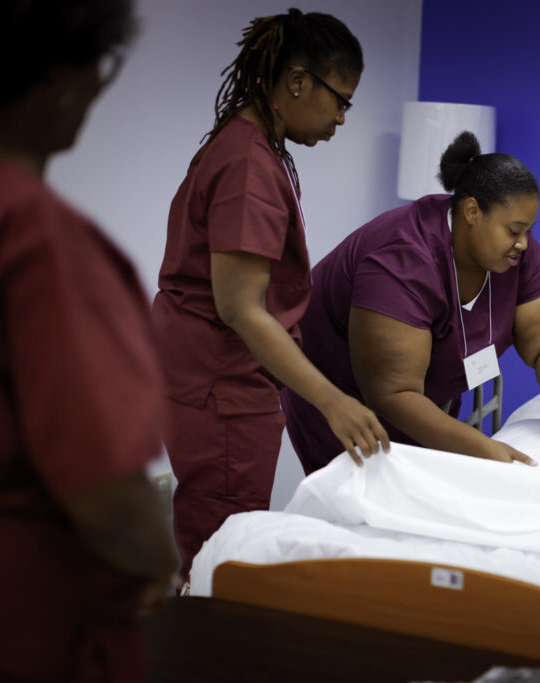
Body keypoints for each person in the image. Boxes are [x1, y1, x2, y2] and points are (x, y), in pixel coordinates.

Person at [0, 1, 179, 681]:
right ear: (61, 74)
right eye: (103, 66)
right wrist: (162, 561)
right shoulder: (37, 240)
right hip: (16, 631)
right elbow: (107, 491)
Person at [152, 9, 388, 580]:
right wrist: (331, 401)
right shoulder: (250, 163)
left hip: (213, 372)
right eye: (341, 99)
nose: (341, 118)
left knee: (220, 535)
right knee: (221, 551)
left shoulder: (247, 145)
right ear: (297, 80)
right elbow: (241, 310)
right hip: (221, 381)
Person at [282, 131, 540, 473]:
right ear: (471, 212)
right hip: (345, 400)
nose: (524, 244)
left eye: (529, 231)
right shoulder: (402, 260)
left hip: (423, 400)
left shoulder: (514, 256)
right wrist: (483, 449)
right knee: (360, 501)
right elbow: (393, 393)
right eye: (514, 231)